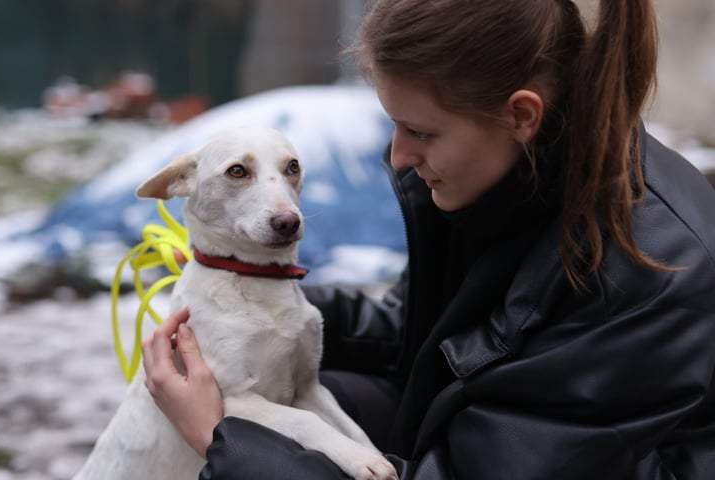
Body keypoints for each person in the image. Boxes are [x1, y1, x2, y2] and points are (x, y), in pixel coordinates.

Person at [141, 0, 715, 478]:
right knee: (307, 395)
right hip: (484, 427)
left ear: (521, 115)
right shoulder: (509, 172)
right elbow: (424, 327)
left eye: (418, 131)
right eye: (393, 124)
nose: (399, 157)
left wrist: (219, 434)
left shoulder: (649, 272)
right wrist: (252, 308)